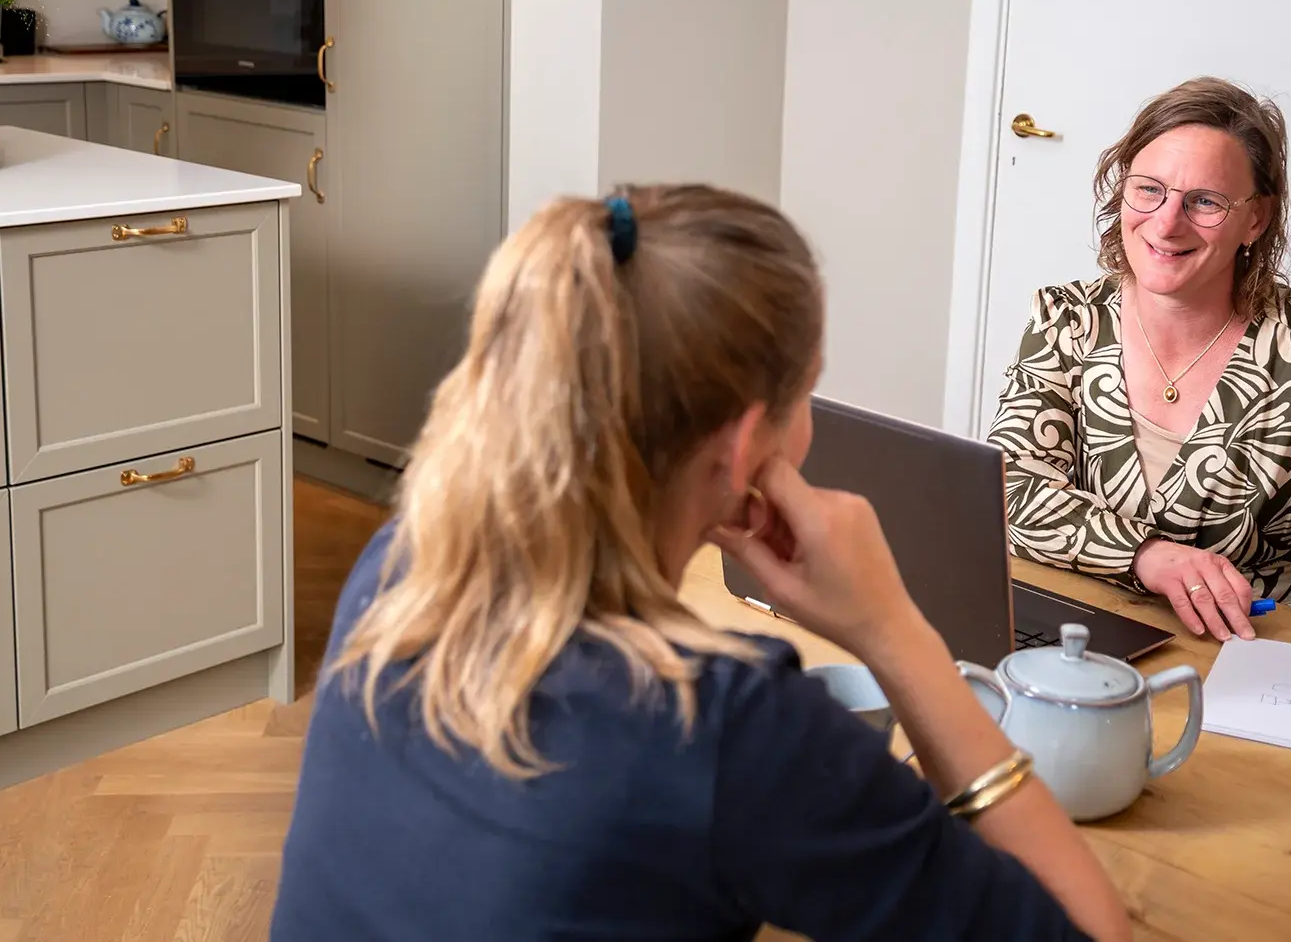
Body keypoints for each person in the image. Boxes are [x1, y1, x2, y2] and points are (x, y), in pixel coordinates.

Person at [272, 186, 1131, 942]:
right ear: (746, 443)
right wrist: (896, 633)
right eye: (808, 392)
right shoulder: (724, 723)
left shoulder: (408, 560)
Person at [989, 77, 1291, 716]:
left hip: (1257, 670)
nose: (1166, 222)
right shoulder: (1067, 317)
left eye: (1205, 201)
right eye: (1149, 189)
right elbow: (1007, 492)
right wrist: (1145, 555)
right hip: (1083, 651)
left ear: (1255, 218)